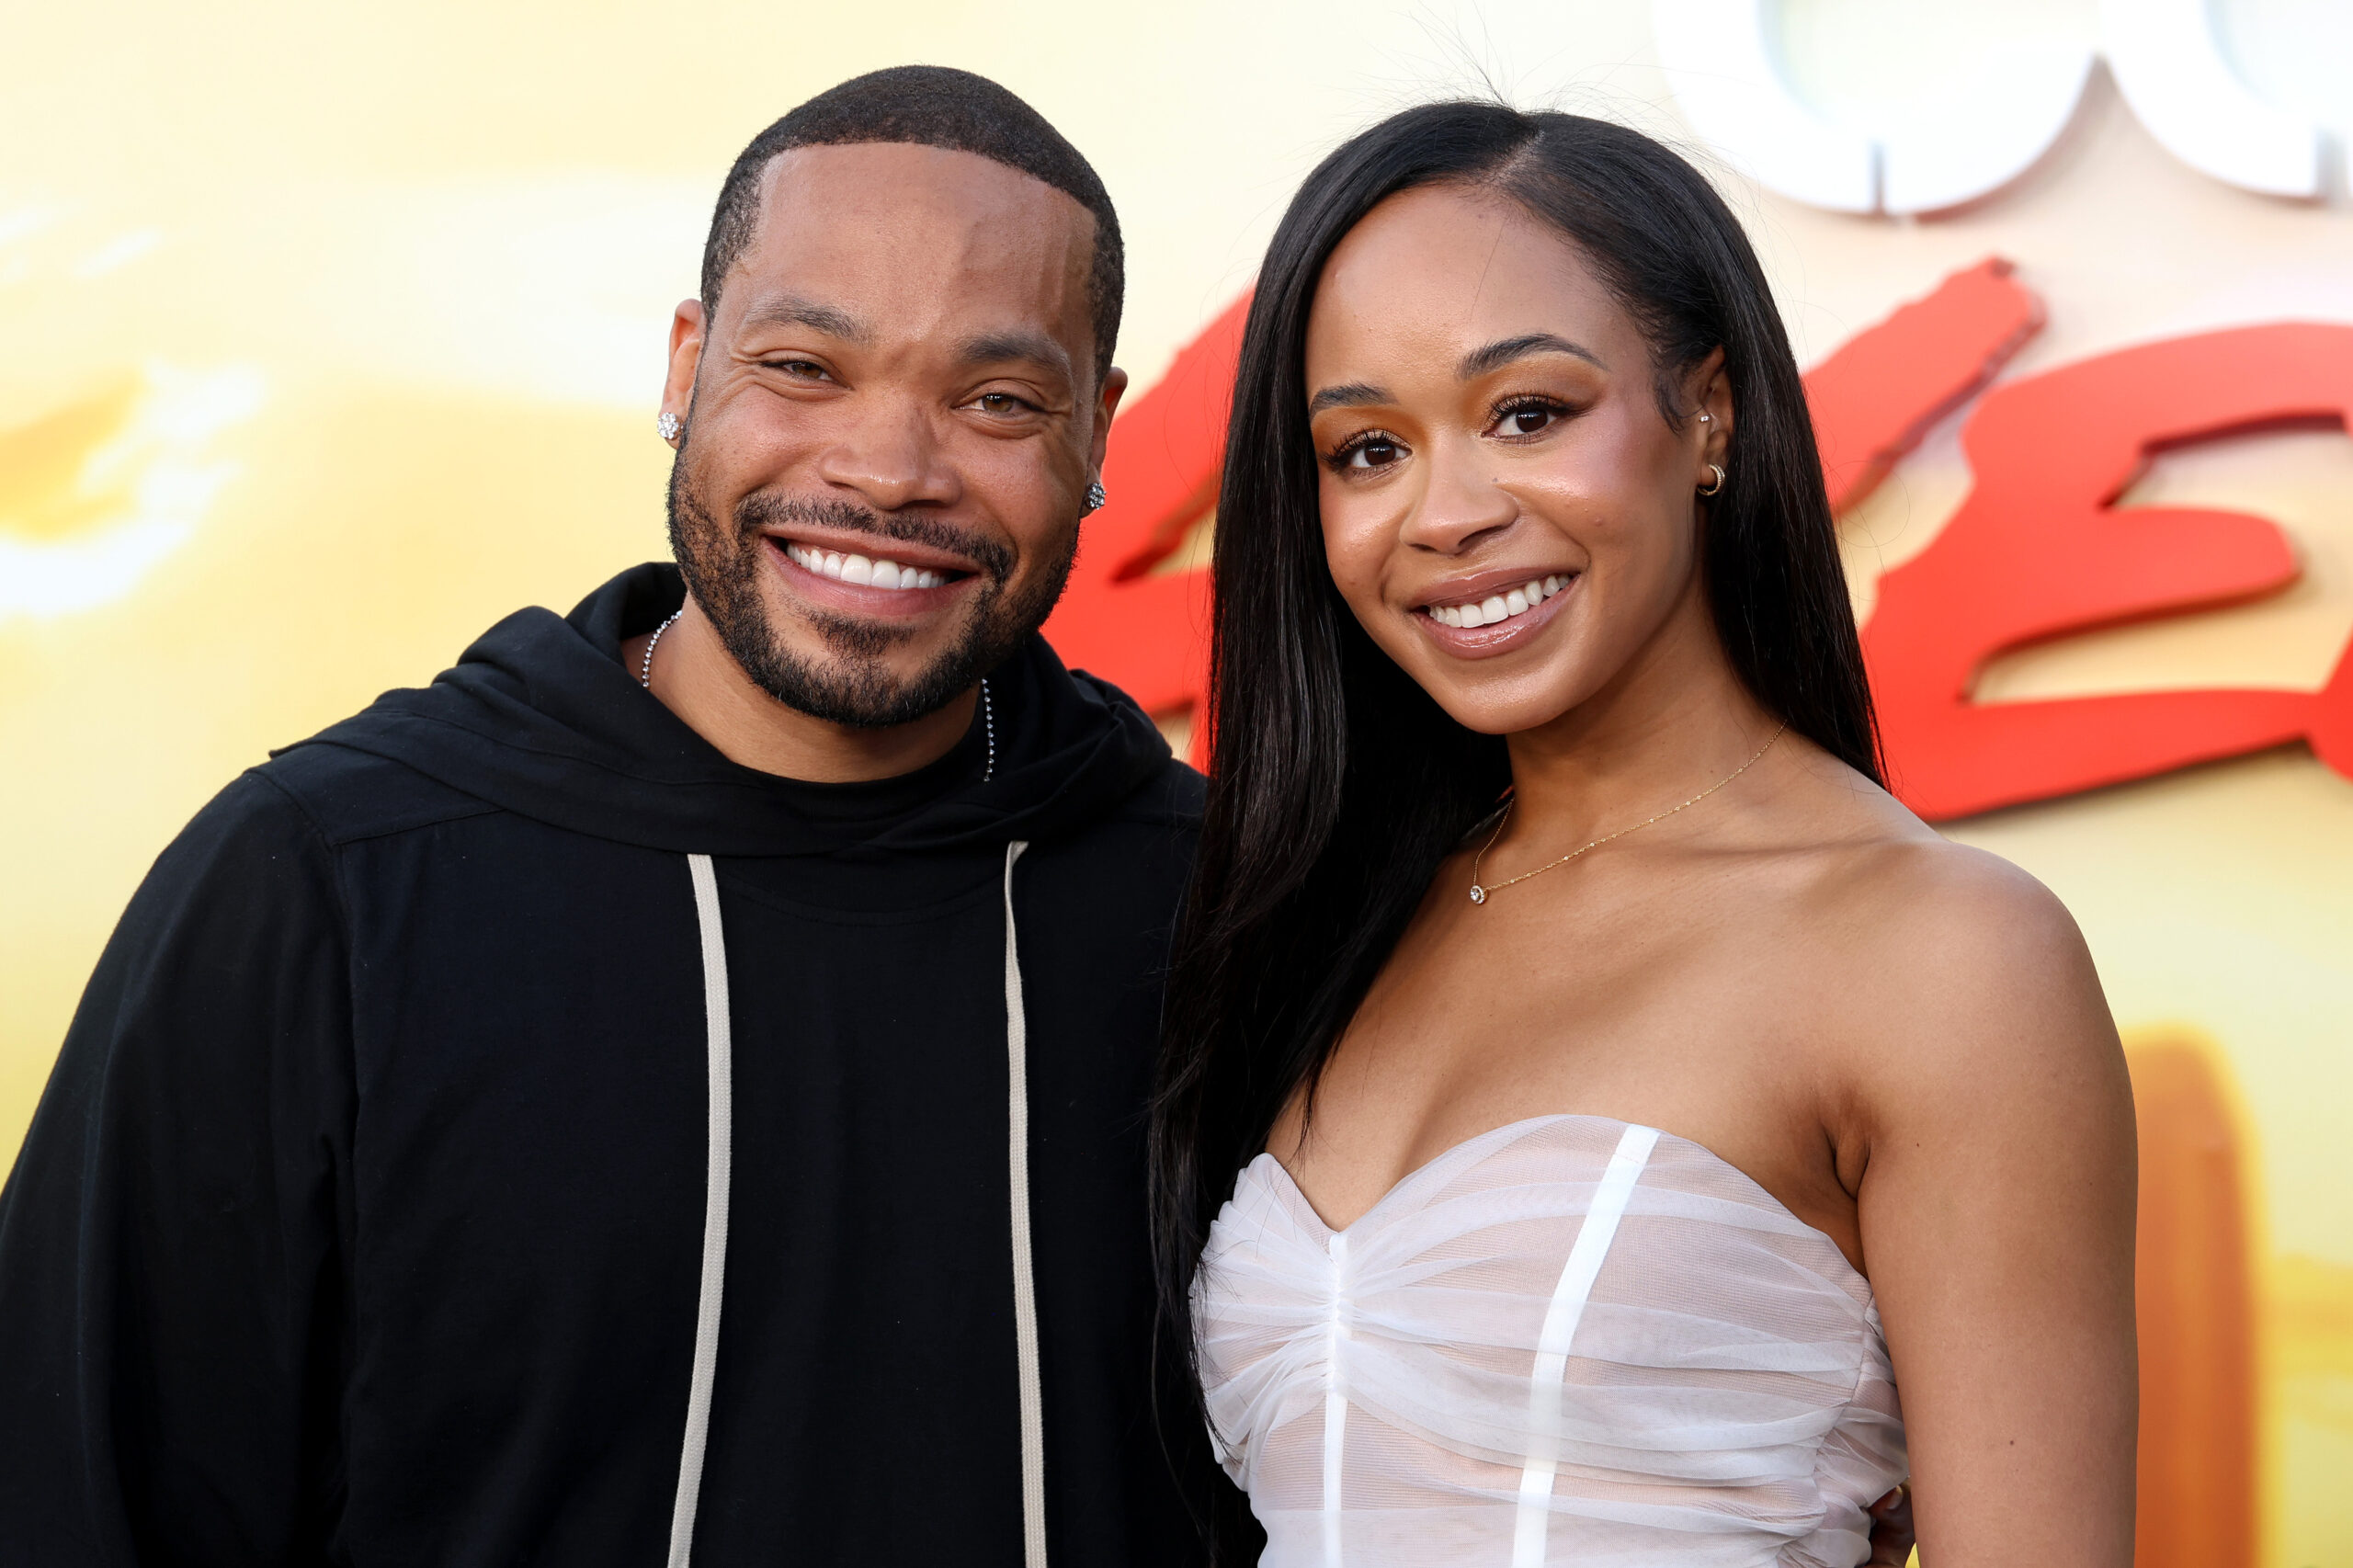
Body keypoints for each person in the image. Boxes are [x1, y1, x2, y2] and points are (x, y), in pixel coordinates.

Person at [0, 67, 1217, 1565]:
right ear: (685, 365)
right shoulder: (324, 891)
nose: (888, 470)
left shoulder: (1218, 912)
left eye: (999, 400)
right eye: (805, 367)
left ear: (1099, 432)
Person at [1153, 103, 2137, 1567]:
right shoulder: (1330, 919)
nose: (1448, 512)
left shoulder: (1946, 955)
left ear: (1711, 416)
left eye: (1529, 413)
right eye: (1366, 449)